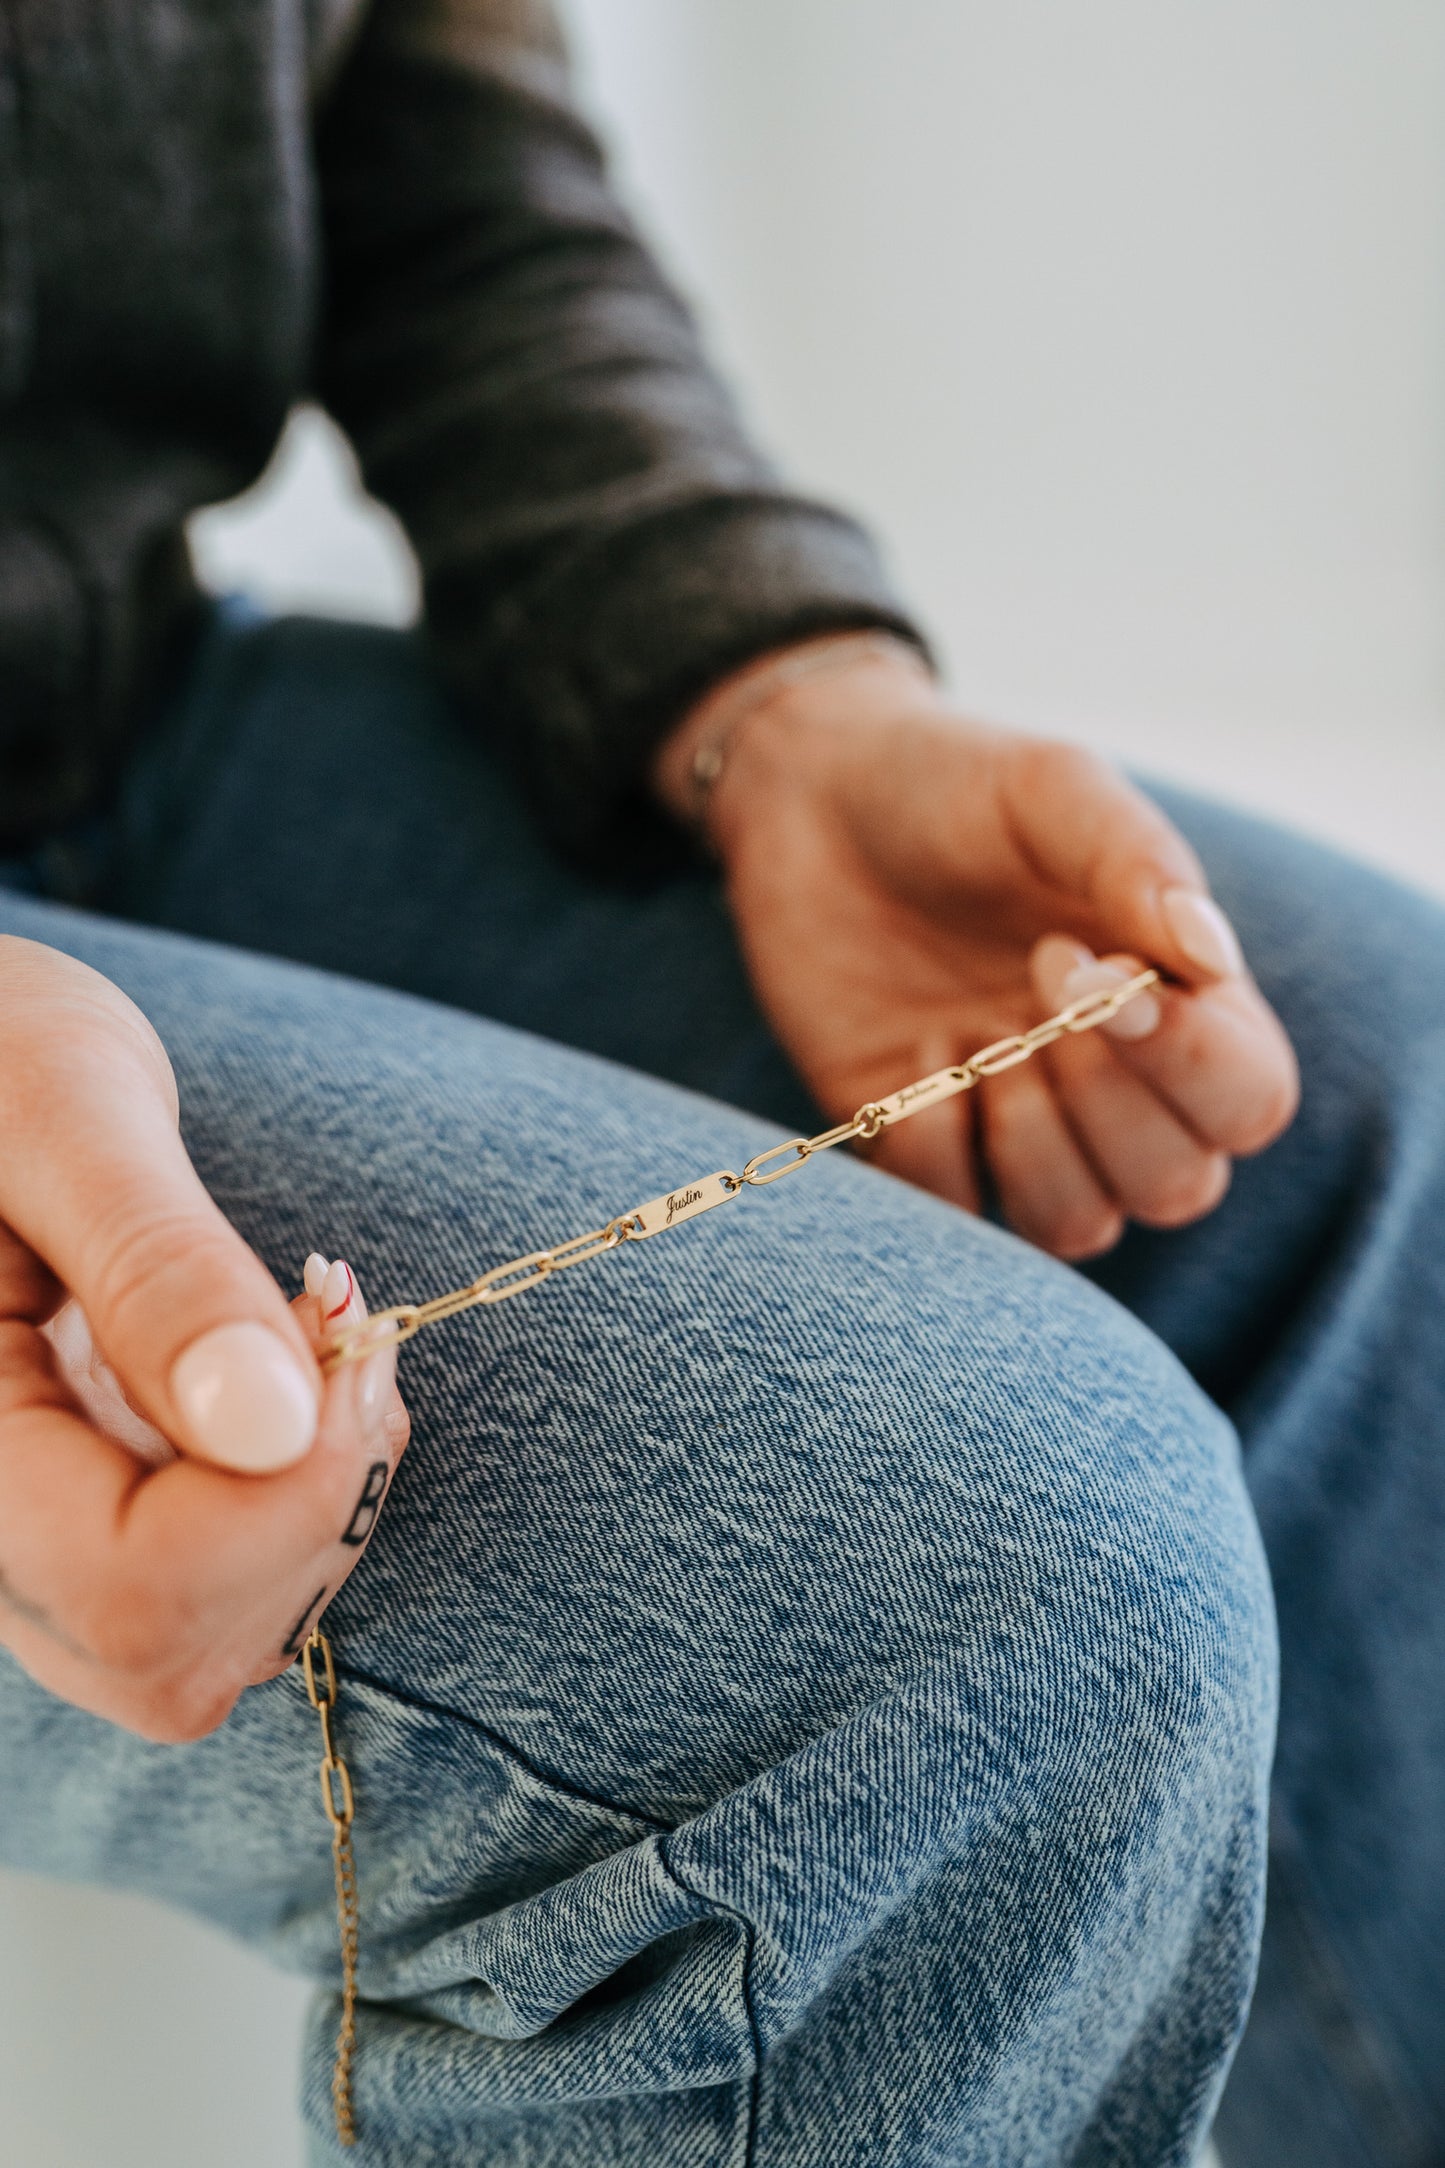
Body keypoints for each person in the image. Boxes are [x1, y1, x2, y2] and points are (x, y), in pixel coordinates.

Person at [0, 4, 1440, 2164]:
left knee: (1358, 1103)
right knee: (986, 1590)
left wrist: (770, 691)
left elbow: (419, 130)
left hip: (101, 697)